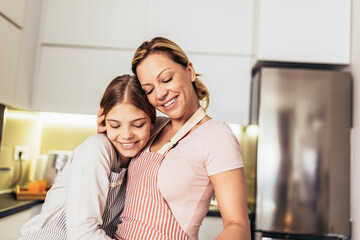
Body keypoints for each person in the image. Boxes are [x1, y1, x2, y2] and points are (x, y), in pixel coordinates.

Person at [98, 37, 251, 240]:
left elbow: (238, 225)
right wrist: (109, 138)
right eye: (149, 90)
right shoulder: (151, 127)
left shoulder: (216, 135)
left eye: (167, 79)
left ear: (189, 71)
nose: (160, 94)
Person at [19, 74, 159, 240]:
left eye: (138, 124)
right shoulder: (96, 148)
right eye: (115, 125)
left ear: (152, 122)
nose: (126, 135)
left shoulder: (142, 157)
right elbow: (83, 234)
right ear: (103, 121)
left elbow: (179, 125)